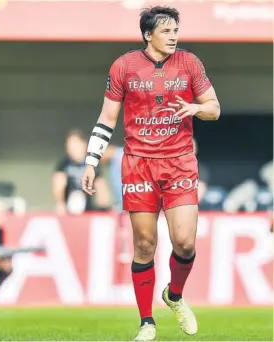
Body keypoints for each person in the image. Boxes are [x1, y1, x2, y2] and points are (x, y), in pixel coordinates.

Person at [80, 6, 220, 341]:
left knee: (184, 242)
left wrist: (197, 108)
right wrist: (91, 160)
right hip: (139, 162)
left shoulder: (190, 63)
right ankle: (147, 322)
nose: (174, 36)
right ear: (148, 34)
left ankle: (174, 295)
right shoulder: (124, 66)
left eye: (176, 30)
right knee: (144, 245)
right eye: (167, 31)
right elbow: (107, 118)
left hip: (180, 162)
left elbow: (214, 108)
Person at [53, 129, 111, 214]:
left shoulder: (92, 164)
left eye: (75, 146)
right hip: (68, 208)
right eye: (70, 146)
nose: (72, 149)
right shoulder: (64, 164)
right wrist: (60, 203)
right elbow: (58, 184)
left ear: (84, 145)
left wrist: (104, 206)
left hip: (88, 209)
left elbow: (100, 186)